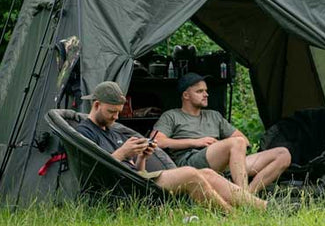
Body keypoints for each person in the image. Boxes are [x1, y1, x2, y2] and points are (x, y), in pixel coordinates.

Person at [76, 81, 267, 213]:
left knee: (207, 173)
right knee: (191, 174)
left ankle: (263, 207)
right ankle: (233, 216)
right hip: (124, 187)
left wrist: (142, 157)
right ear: (96, 105)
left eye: (118, 113)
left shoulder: (113, 130)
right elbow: (93, 171)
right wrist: (123, 152)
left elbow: (135, 169)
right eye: (111, 112)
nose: (116, 117)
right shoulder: (85, 132)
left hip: (137, 178)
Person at [153, 73, 291, 194]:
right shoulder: (171, 116)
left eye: (206, 91)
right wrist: (195, 142)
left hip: (225, 163)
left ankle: (246, 195)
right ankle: (244, 198)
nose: (206, 94)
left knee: (283, 154)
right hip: (191, 161)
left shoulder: (214, 115)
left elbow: (244, 140)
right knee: (235, 143)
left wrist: (222, 147)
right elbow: (157, 140)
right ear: (186, 95)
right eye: (200, 91)